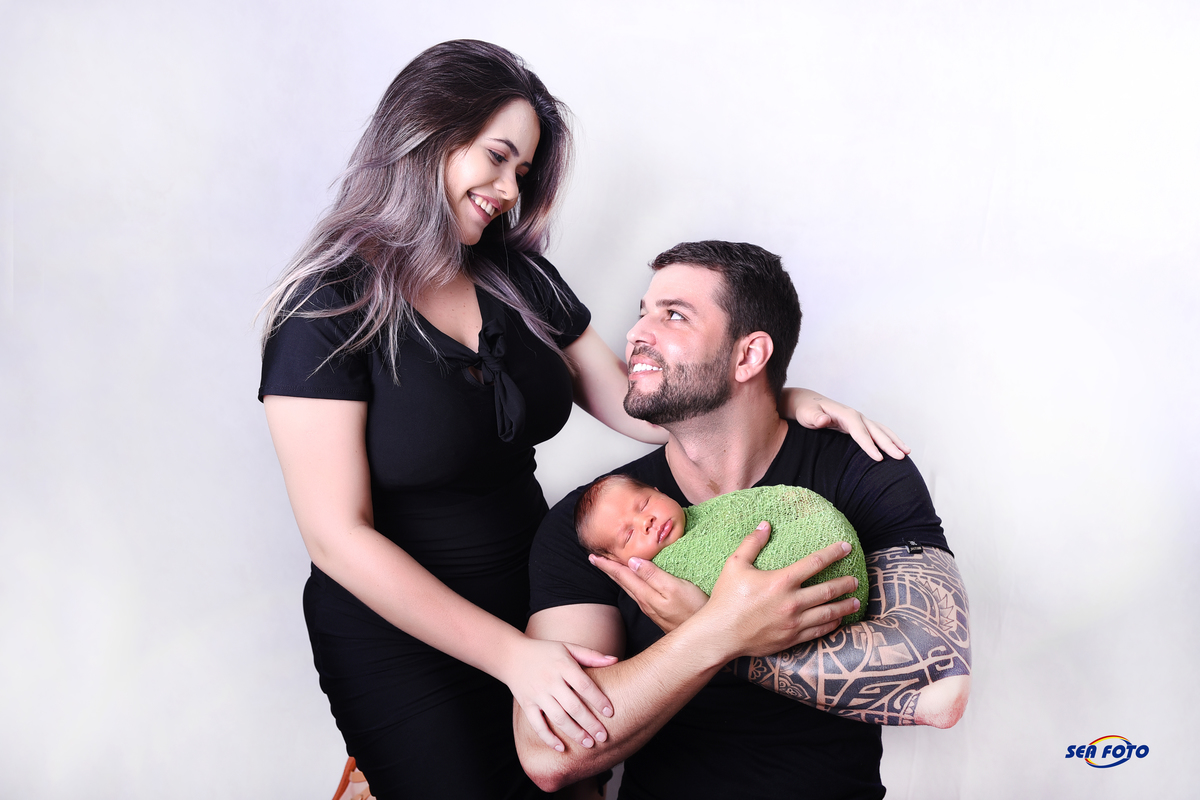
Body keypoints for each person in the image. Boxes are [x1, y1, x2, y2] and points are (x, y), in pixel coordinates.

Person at [259, 40, 910, 799]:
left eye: (523, 170)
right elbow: (337, 538)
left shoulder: (518, 278)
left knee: (576, 778)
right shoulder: (325, 309)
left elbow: (640, 406)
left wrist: (769, 398)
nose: (509, 189)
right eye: (497, 158)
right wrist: (512, 658)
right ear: (425, 136)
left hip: (537, 589)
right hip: (401, 629)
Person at [517, 240, 972, 799]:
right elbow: (549, 755)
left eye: (673, 315)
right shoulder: (598, 524)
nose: (635, 333)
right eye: (642, 313)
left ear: (749, 355)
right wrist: (718, 632)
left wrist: (715, 630)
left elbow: (936, 671)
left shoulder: (861, 468)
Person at [573, 474, 868, 621]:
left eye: (644, 504)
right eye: (628, 535)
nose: (646, 521)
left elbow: (761, 509)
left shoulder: (715, 511)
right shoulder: (664, 578)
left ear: (659, 491)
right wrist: (713, 626)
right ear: (619, 563)